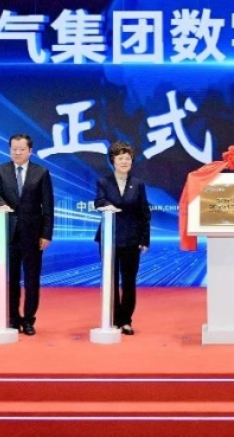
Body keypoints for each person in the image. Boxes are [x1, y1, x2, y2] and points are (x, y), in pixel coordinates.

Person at [0, 133, 54, 336]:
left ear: (30, 151)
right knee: (11, 279)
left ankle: (29, 320)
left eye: (21, 149)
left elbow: (48, 206)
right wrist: (1, 204)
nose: (17, 152)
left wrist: (46, 234)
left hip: (33, 234)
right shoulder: (1, 170)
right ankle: (13, 318)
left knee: (32, 279)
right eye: (14, 149)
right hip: (8, 233)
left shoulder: (41, 172)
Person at [92, 141, 151, 335]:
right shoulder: (103, 182)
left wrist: (145, 239)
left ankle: (126, 320)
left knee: (129, 281)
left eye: (128, 158)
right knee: (110, 280)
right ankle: (114, 318)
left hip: (132, 239)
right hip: (109, 238)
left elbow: (144, 213)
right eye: (120, 158)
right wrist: (107, 206)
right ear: (113, 161)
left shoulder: (138, 184)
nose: (124, 161)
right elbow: (99, 200)